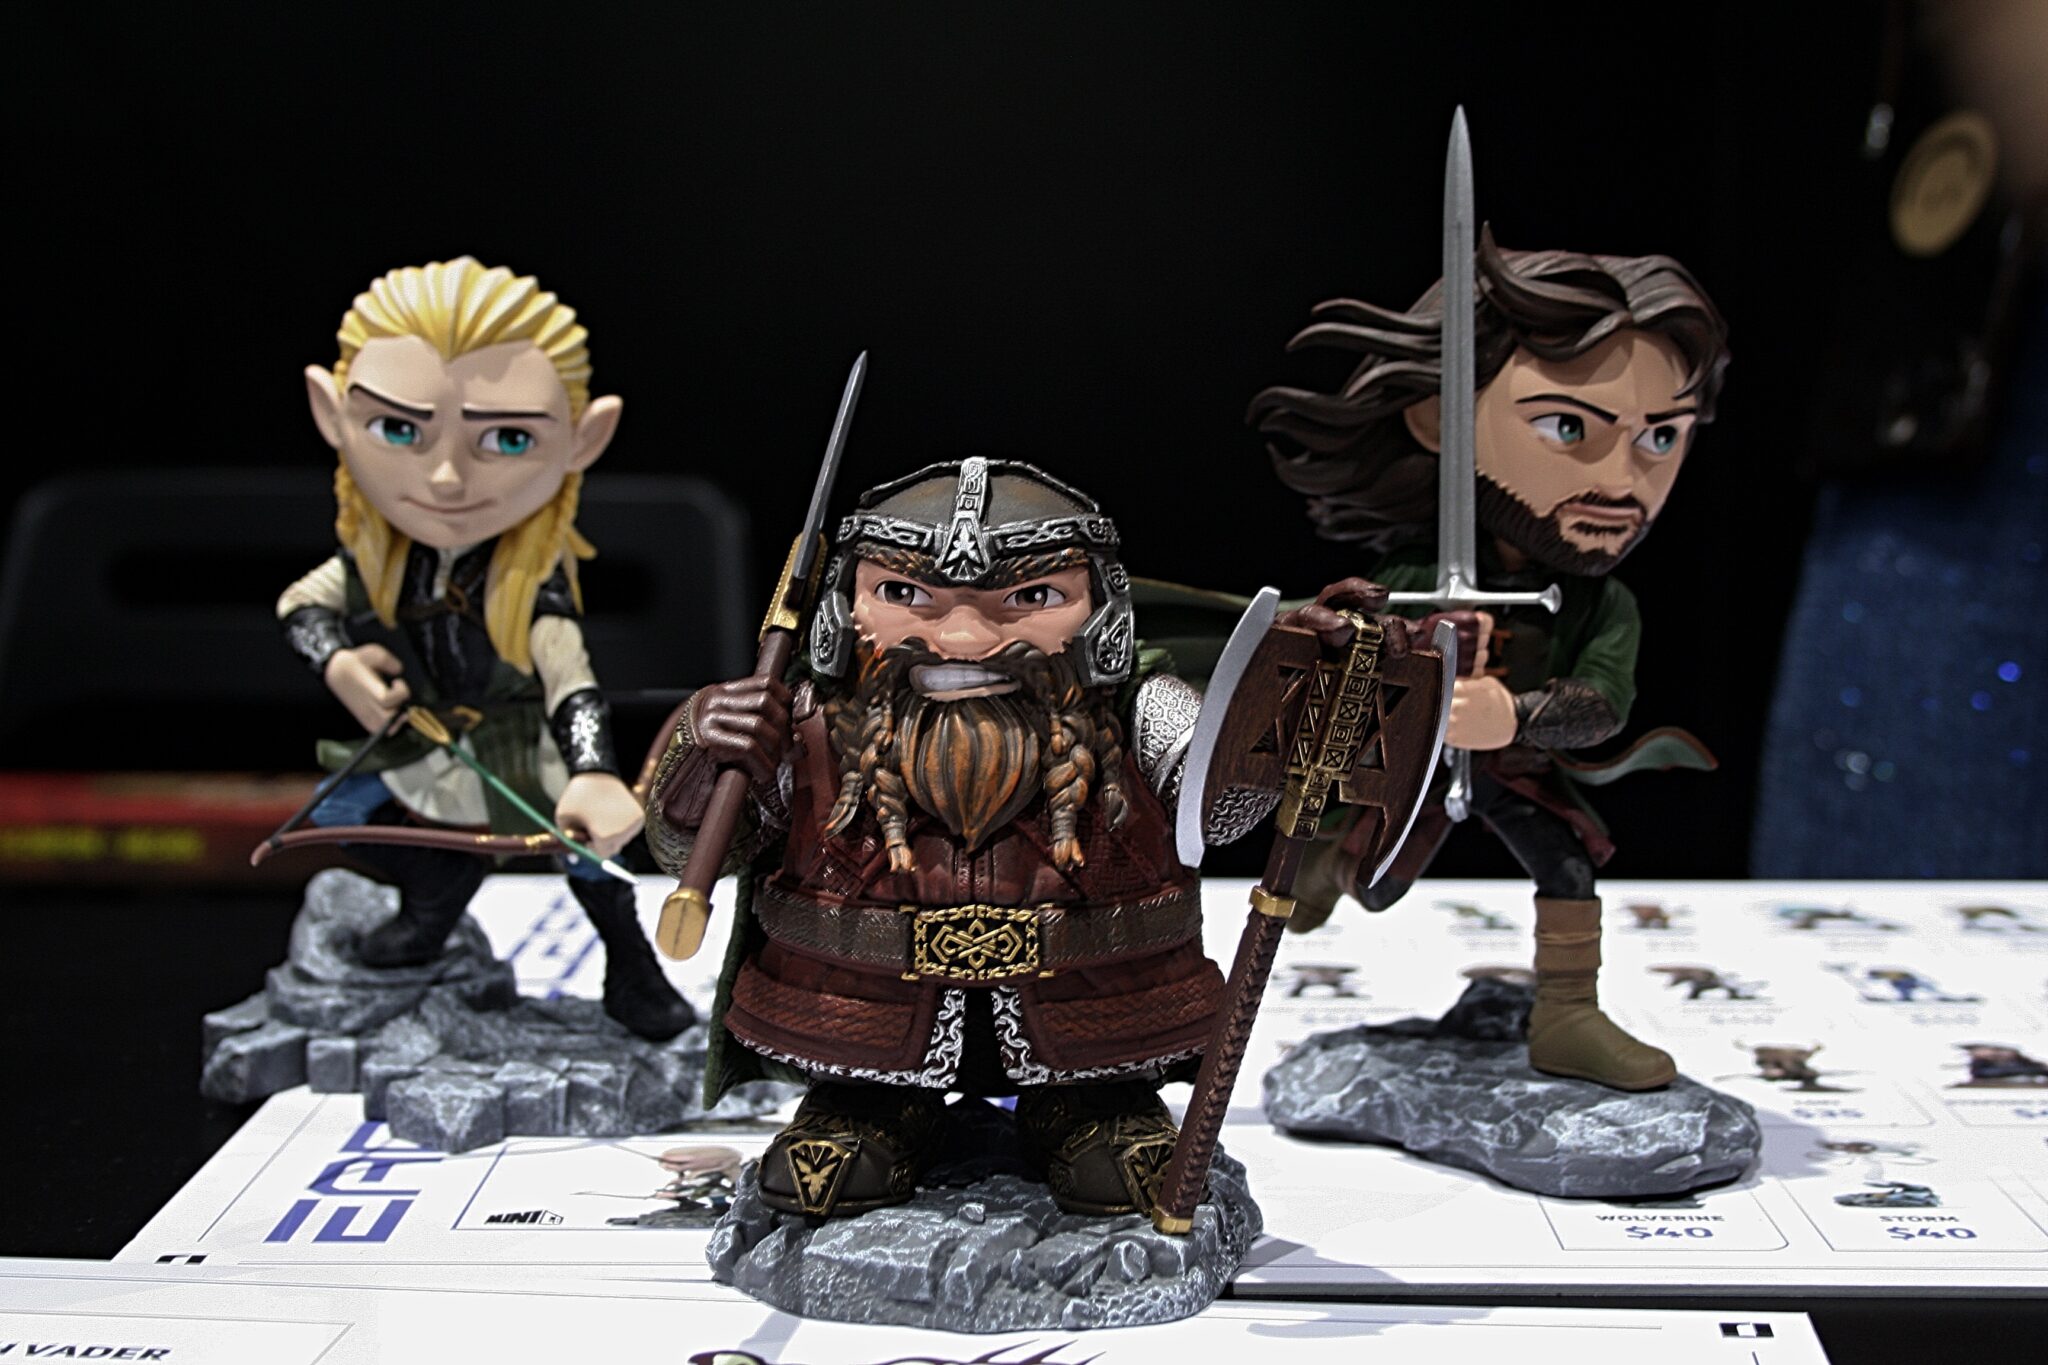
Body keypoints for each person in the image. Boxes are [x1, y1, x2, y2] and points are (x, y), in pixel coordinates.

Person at [646, 457, 1378, 1218]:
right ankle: (872, 1108)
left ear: (1102, 612)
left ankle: (1091, 1109)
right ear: (841, 608)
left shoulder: (1143, 709)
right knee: (842, 1150)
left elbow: (1217, 813)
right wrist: (705, 751)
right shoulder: (803, 720)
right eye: (904, 595)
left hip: (1095, 1019)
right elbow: (690, 853)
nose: (963, 638)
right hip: (860, 1020)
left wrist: (1290, 691)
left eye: (1031, 597)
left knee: (1114, 1151)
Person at [1247, 233, 1731, 1090]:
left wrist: (1516, 715)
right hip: (1412, 760)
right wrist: (1399, 660)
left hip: (1516, 761)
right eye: (1568, 426)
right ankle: (1329, 864)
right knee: (1376, 878)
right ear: (1439, 419)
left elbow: (1604, 703)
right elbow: (1349, 658)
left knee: (1566, 865)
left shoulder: (1600, 603)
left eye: (1660, 437)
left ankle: (1568, 1013)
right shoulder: (1411, 574)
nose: (1624, 480)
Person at [277, 256, 692, 1040]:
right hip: (428, 740)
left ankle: (631, 965)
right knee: (344, 808)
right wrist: (340, 662)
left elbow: (571, 682)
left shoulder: (529, 582)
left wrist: (593, 769)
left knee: (585, 853)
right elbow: (301, 606)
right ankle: (435, 897)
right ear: (332, 414)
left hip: (522, 748)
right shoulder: (380, 558)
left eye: (505, 438)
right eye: (399, 429)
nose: (444, 476)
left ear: (584, 439)